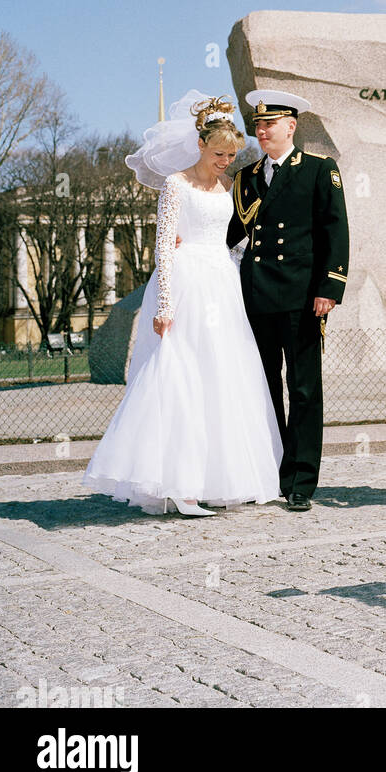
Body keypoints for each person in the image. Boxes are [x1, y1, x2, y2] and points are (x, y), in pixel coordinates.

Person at [83, 94, 282, 516]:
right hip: (187, 282)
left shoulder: (228, 186)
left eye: (231, 154)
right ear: (200, 146)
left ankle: (211, 479)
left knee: (222, 379)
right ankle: (179, 484)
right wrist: (165, 304)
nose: (225, 161)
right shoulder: (176, 185)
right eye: (218, 153)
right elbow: (164, 248)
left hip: (222, 282)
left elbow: (231, 239)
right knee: (180, 378)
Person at [226, 91, 349, 512]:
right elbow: (233, 236)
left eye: (269, 124)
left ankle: (299, 481)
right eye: (257, 126)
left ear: (291, 126)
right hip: (257, 295)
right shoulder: (246, 178)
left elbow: (335, 231)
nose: (261, 131)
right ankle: (269, 471)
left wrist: (329, 289)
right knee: (262, 388)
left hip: (301, 297)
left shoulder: (318, 170)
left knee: (302, 388)